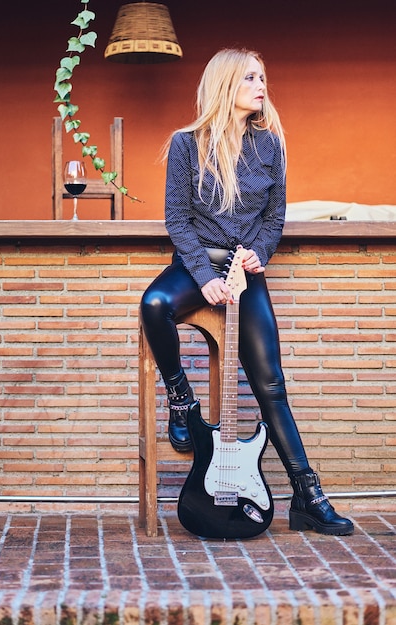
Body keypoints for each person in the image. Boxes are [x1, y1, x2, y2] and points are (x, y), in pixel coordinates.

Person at [140, 48, 353, 536]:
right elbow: (178, 219)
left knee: (270, 384)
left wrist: (257, 254)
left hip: (244, 269)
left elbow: (272, 219)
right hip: (198, 265)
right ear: (225, 85)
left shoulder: (270, 146)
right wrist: (204, 276)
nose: (261, 86)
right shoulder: (186, 144)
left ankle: (307, 495)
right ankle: (181, 401)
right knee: (153, 304)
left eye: (263, 77)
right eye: (251, 78)